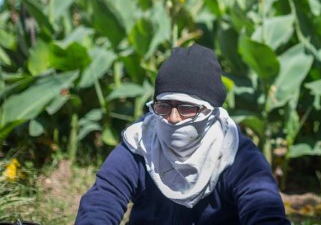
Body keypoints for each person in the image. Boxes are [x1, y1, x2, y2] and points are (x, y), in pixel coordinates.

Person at [75, 44, 290, 225]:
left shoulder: (236, 154)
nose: (173, 118)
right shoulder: (141, 142)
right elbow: (104, 197)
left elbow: (263, 208)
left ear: (210, 111)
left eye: (187, 108)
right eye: (164, 106)